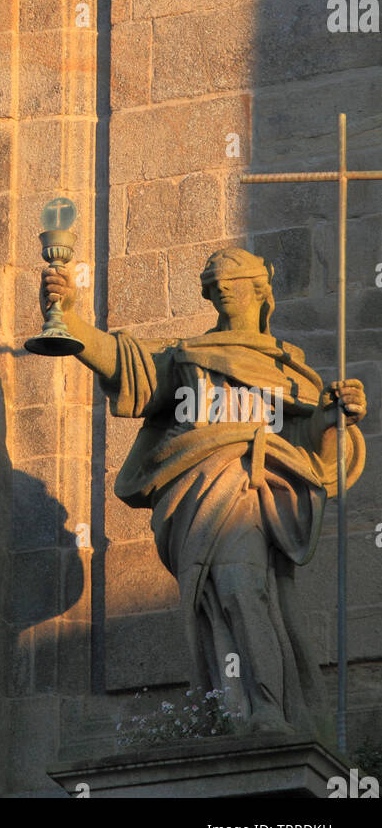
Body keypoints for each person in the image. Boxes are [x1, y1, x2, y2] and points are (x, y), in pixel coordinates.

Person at [42, 246, 366, 736]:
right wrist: (70, 322)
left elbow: (313, 450)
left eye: (229, 282)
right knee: (211, 601)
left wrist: (336, 416)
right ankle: (234, 711)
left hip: (248, 489)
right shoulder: (188, 354)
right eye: (211, 285)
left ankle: (267, 710)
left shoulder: (287, 370)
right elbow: (129, 367)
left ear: (261, 289)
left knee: (244, 591)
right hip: (192, 492)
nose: (219, 292)